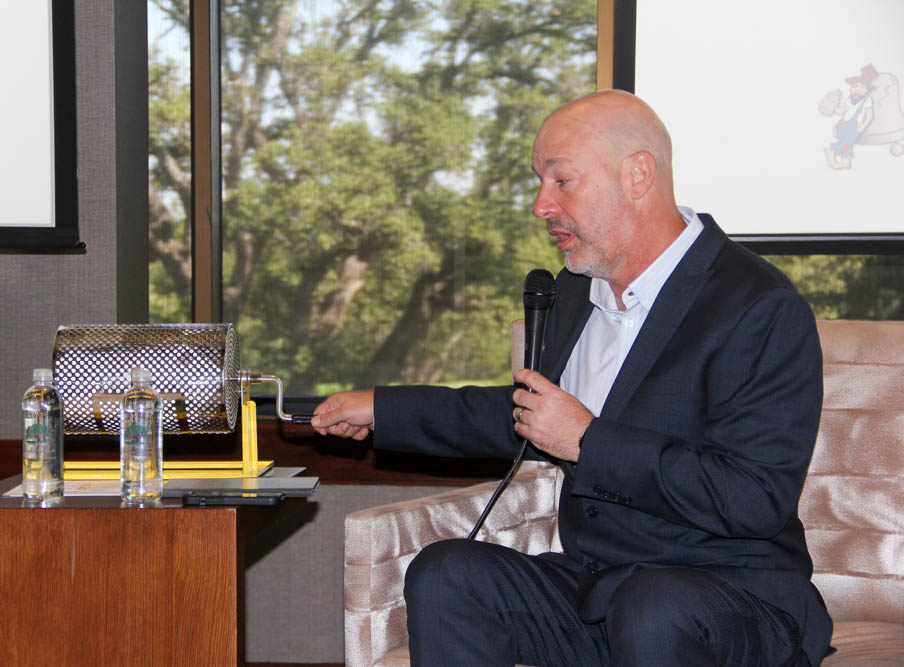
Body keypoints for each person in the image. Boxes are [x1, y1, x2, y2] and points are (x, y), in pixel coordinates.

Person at [311, 90, 833, 666]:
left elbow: (754, 498)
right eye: (539, 182)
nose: (541, 205)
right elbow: (529, 415)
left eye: (561, 181)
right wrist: (382, 409)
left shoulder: (757, 305)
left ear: (637, 175)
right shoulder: (575, 291)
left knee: (651, 606)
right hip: (598, 590)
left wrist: (587, 441)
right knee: (447, 572)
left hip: (733, 596)